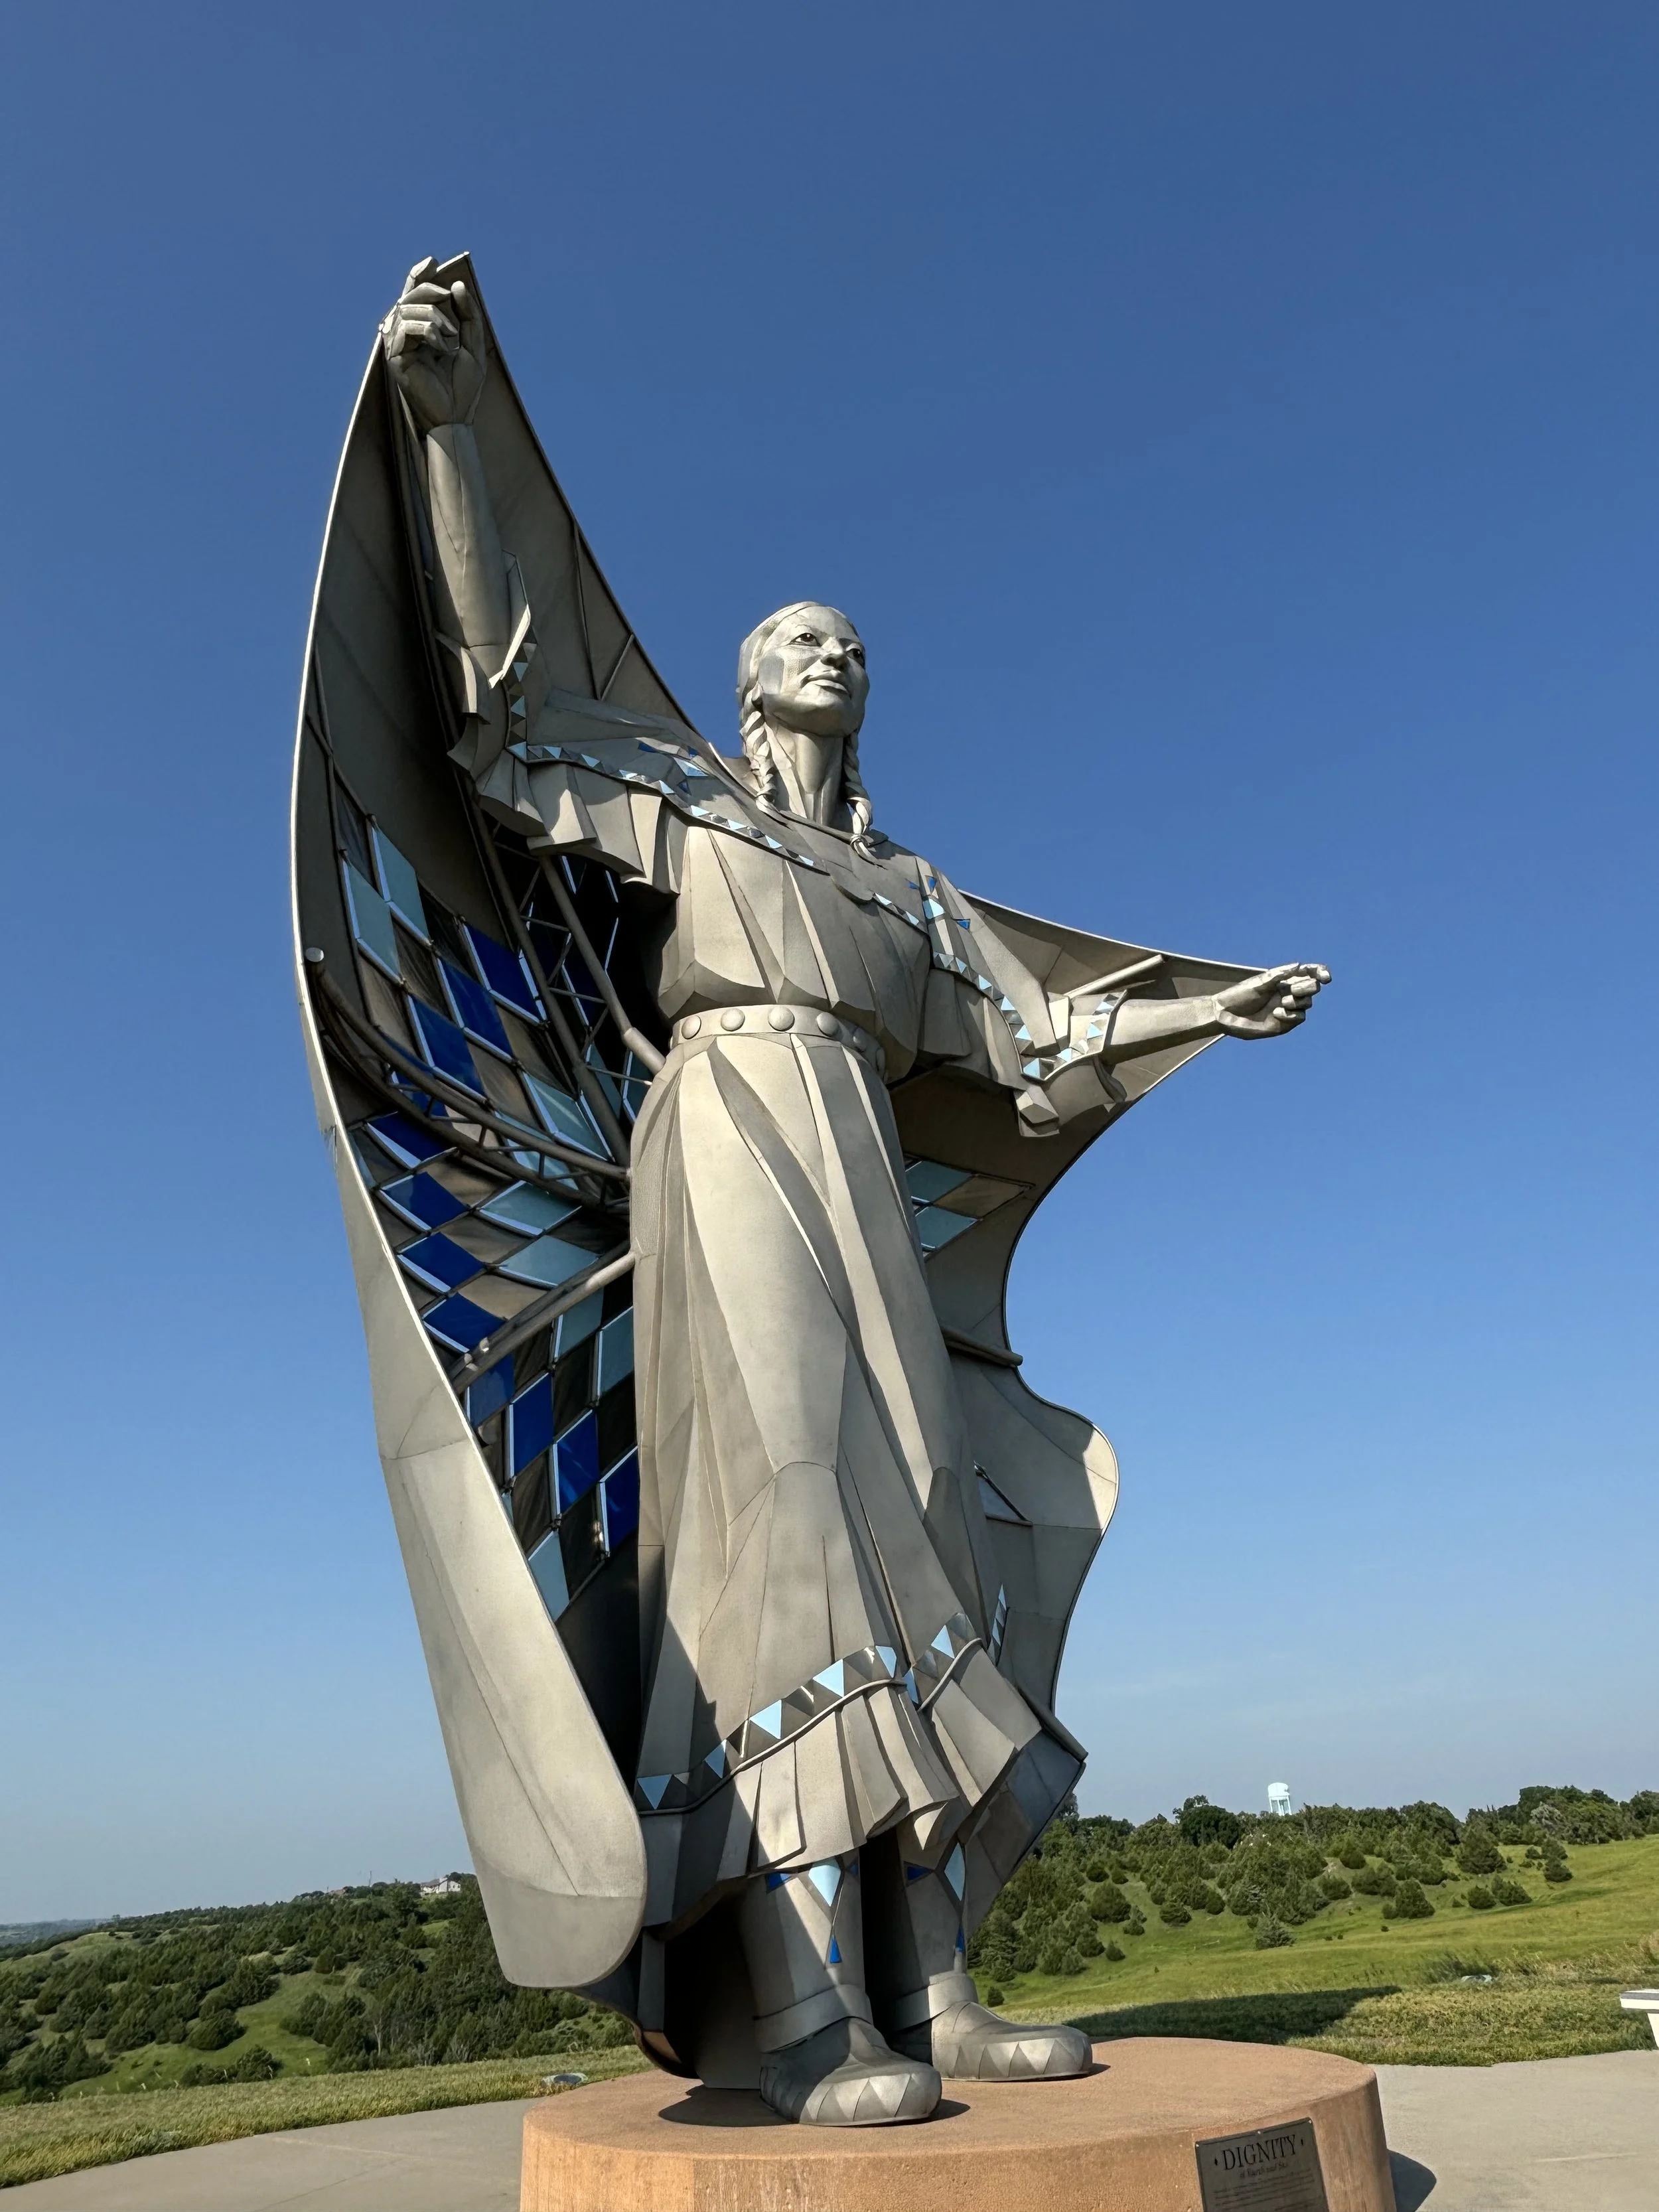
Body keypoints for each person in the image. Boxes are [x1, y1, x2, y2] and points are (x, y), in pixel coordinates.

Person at [382, 267, 1327, 2126]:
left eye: (850, 643)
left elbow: (1039, 1034)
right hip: (729, 1114)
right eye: (800, 635)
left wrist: (1215, 1003)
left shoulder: (911, 898)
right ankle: (812, 2010)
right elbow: (504, 716)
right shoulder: (679, 802)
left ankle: (939, 1983)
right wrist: (441, 438)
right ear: (745, 681)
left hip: (860, 1155)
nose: (831, 652)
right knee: (785, 1519)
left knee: (916, 1512)